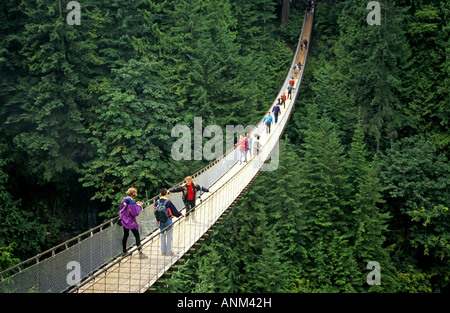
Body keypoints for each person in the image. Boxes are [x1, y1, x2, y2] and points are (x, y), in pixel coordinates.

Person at [154, 188, 183, 256]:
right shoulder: (168, 202)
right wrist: (180, 214)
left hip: (161, 221)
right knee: (169, 235)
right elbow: (174, 211)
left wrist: (157, 221)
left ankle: (163, 251)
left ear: (160, 194)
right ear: (166, 194)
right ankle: (168, 251)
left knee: (162, 235)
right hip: (168, 220)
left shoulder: (156, 202)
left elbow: (156, 212)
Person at [119, 188, 147, 258]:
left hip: (124, 220)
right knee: (137, 236)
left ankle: (124, 251)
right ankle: (140, 253)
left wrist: (135, 205)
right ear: (134, 194)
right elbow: (135, 213)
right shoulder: (132, 202)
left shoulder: (124, 200)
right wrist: (139, 206)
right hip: (131, 222)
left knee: (126, 235)